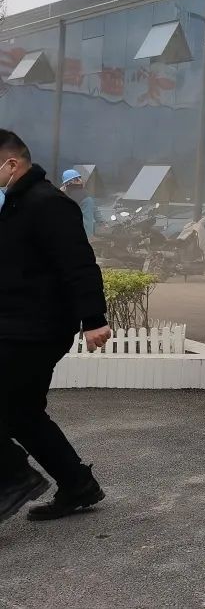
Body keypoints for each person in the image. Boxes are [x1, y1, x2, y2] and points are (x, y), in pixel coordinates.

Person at [0, 131, 112, 523]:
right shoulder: (16, 204)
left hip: (37, 329)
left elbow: (79, 263)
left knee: (14, 407)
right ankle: (78, 484)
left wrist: (94, 319)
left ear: (11, 163)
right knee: (23, 413)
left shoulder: (47, 203)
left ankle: (13, 478)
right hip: (17, 324)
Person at [60, 168, 96, 238]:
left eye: (79, 178)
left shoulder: (64, 194)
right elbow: (87, 221)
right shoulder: (85, 196)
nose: (80, 180)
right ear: (70, 182)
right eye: (77, 179)